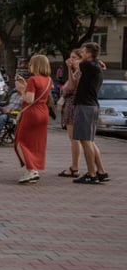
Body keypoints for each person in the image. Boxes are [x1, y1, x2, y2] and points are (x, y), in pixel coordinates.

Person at [72, 42, 109, 184]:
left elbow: (76, 63)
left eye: (83, 51)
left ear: (88, 53)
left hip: (85, 106)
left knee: (85, 141)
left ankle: (91, 174)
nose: (81, 53)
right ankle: (101, 171)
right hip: (92, 105)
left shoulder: (88, 65)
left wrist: (74, 60)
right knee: (90, 141)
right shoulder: (96, 66)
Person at [13, 54, 52, 184]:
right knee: (36, 143)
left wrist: (20, 90)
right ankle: (34, 168)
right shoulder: (48, 80)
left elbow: (29, 99)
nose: (29, 66)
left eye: (30, 63)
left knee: (21, 142)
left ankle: (31, 170)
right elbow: (38, 95)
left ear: (36, 65)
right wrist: (25, 86)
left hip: (31, 114)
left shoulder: (33, 79)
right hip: (43, 112)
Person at [57, 49, 82, 177]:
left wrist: (69, 69)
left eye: (74, 58)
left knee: (74, 139)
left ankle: (75, 167)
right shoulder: (76, 72)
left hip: (73, 107)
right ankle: (74, 166)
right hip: (69, 106)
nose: (71, 60)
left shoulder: (78, 73)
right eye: (70, 57)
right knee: (73, 139)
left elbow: (71, 87)